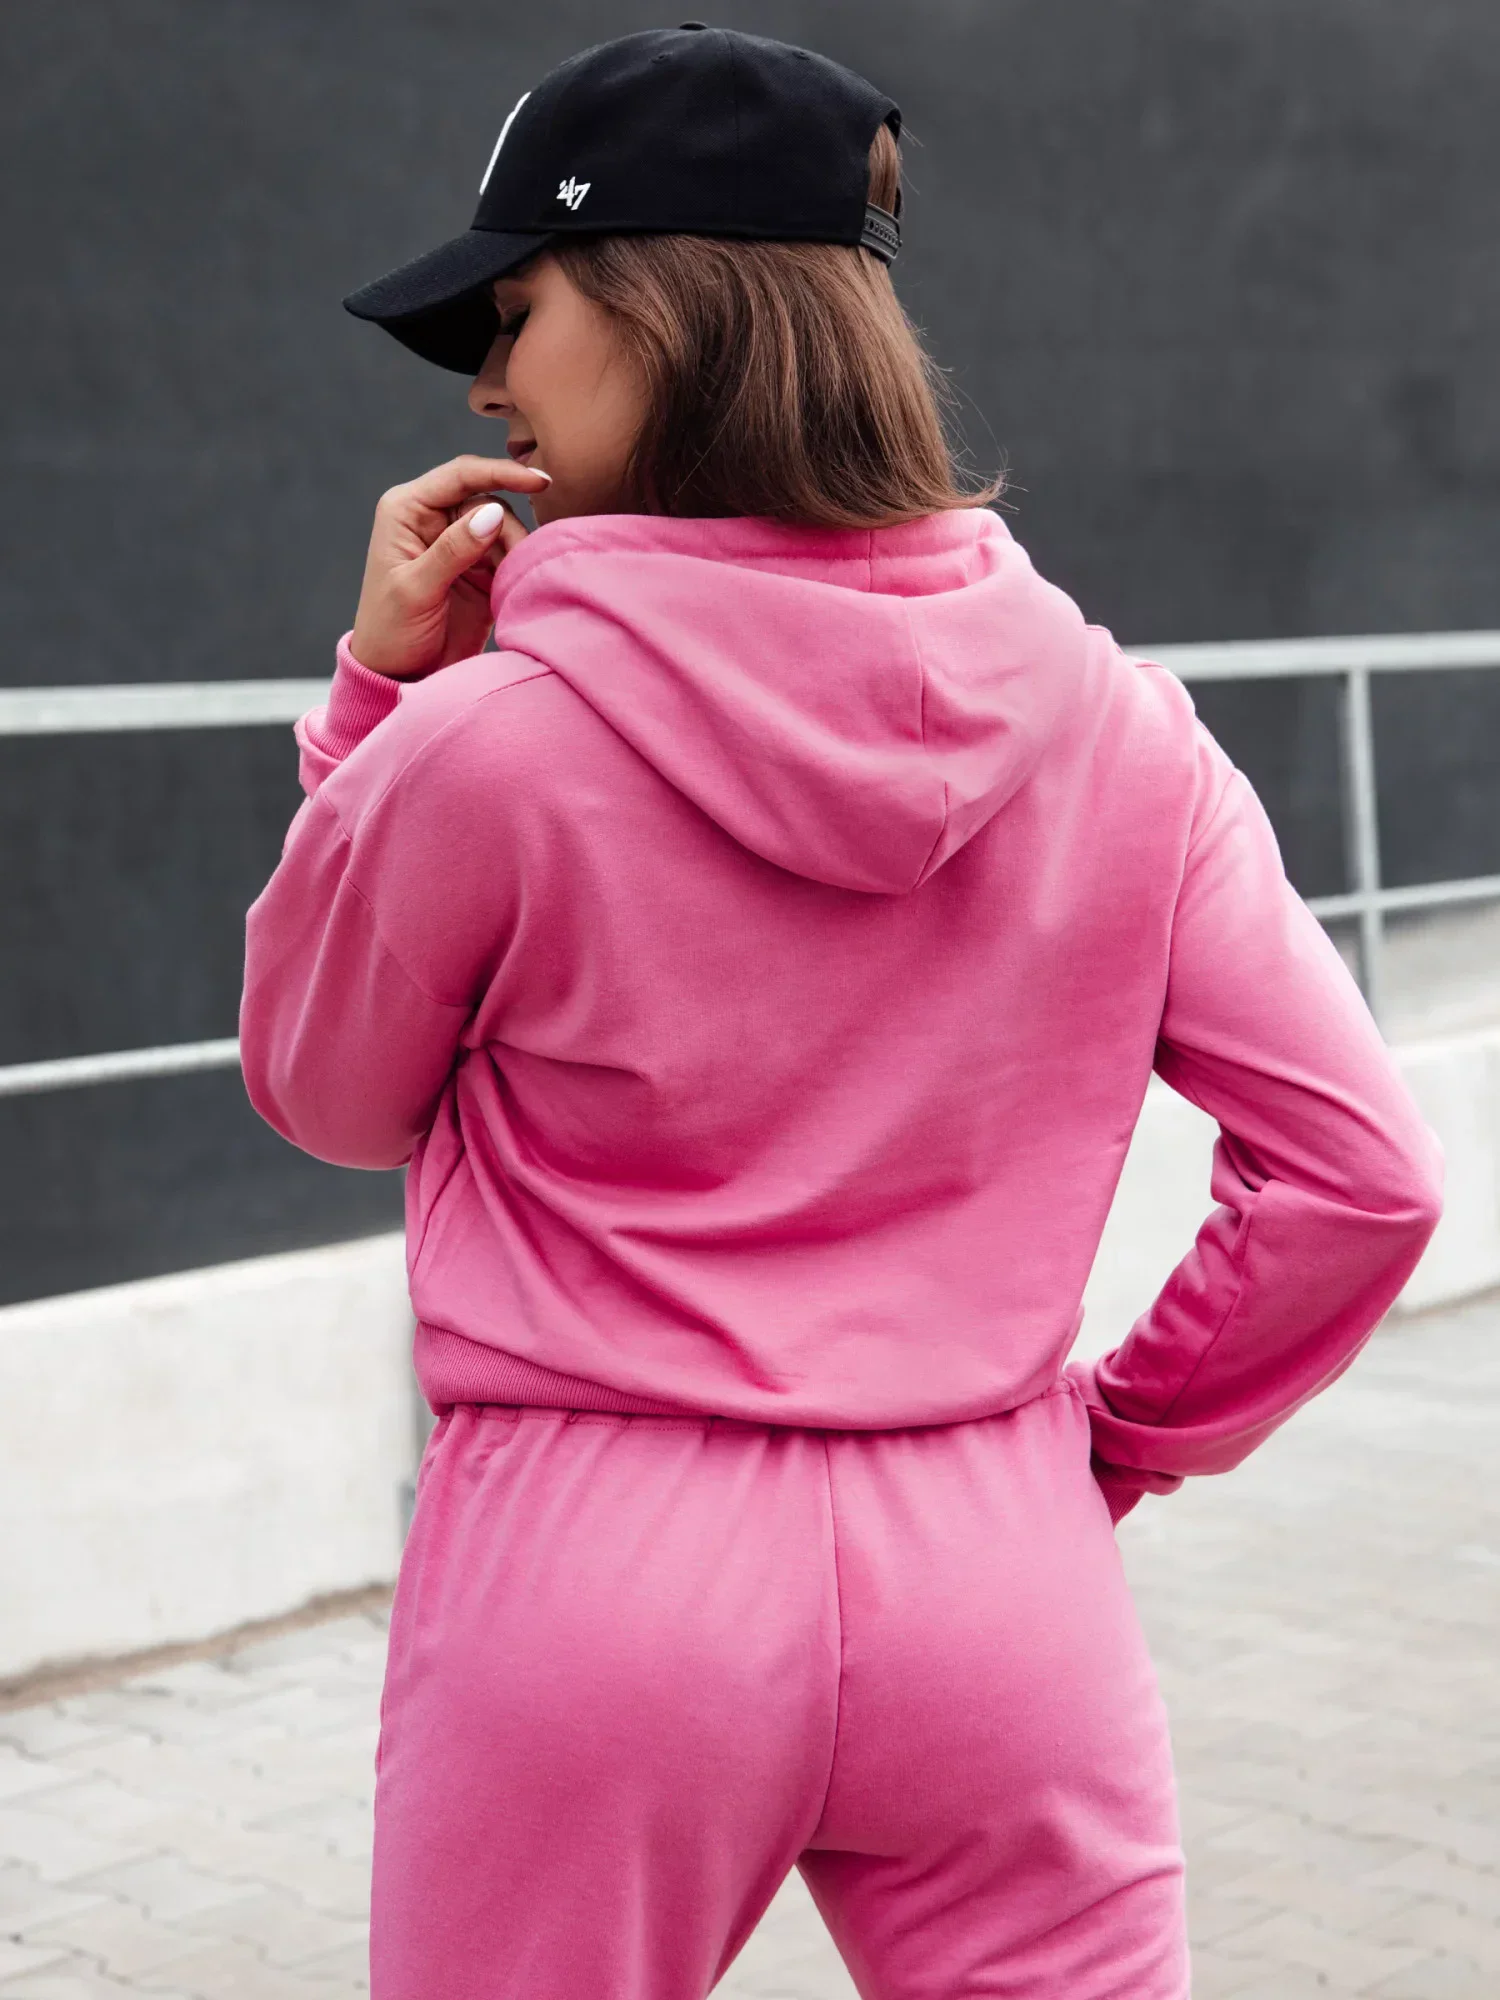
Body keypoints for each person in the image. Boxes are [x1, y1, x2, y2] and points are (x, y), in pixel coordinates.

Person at [241, 25, 1443, 2000]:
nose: (485, 380)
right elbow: (1363, 1174)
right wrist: (1110, 1449)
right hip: (996, 1565)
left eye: (516, 313)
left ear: (660, 312)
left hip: (599, 1573)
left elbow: (327, 1093)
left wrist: (374, 707)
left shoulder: (491, 746)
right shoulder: (1118, 732)